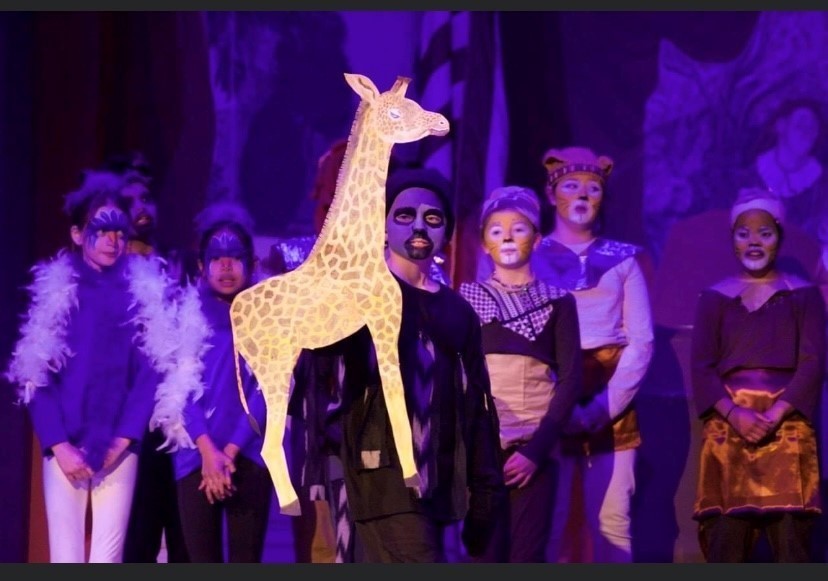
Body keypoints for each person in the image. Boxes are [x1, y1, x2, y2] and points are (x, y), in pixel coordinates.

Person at [330, 167, 506, 563]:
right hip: (379, 475)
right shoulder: (360, 296)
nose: (419, 227)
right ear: (384, 225)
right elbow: (323, 376)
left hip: (437, 482)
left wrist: (485, 488)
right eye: (405, 215)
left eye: (433, 218)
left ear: (446, 232)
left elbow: (477, 404)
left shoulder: (457, 311)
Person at [4, 170, 175, 562]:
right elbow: (35, 373)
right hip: (64, 446)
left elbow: (150, 373)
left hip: (119, 447)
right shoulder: (57, 293)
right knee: (65, 556)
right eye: (101, 230)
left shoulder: (142, 295)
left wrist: (122, 441)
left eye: (119, 231)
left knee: (106, 558)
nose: (113, 240)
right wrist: (59, 445)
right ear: (78, 234)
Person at [690, 187, 826, 562]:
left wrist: (776, 414)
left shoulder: (803, 295)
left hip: (787, 431)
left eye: (764, 233)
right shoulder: (715, 297)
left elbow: (813, 362)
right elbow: (701, 367)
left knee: (791, 545)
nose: (754, 242)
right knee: (726, 544)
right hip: (728, 433)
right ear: (731, 239)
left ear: (779, 237)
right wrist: (736, 414)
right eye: (743, 233)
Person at [533, 146, 654, 563]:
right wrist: (556, 407)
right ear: (551, 195)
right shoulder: (528, 257)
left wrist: (604, 407)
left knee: (613, 519)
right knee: (549, 520)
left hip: (610, 400)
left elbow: (642, 340)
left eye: (592, 187)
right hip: (547, 400)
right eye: (570, 186)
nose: (582, 196)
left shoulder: (622, 261)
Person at [458, 186, 581, 562]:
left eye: (519, 228)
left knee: (527, 554)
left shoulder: (559, 302)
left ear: (538, 239)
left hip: (533, 449)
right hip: (482, 451)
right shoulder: (465, 300)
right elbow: (458, 376)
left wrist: (536, 451)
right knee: (484, 552)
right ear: (484, 245)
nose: (508, 236)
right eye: (496, 230)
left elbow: (571, 379)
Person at [152, 201, 273, 562]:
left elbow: (268, 391)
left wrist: (230, 451)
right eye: (216, 258)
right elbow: (179, 390)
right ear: (202, 266)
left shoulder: (268, 319)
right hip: (195, 458)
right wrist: (208, 451)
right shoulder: (183, 316)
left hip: (249, 455)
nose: (225, 265)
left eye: (235, 257)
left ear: (252, 264)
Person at [102, 151, 191, 564]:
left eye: (147, 199)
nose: (142, 208)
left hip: (169, 416)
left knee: (179, 526)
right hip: (121, 419)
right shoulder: (104, 271)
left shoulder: (174, 263)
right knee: (134, 532)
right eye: (131, 200)